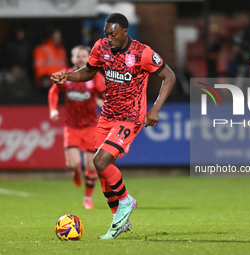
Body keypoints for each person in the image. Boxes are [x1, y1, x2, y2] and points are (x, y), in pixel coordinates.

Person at [51, 13, 176, 239]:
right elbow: (88, 72)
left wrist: (155, 108)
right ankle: (119, 219)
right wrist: (67, 76)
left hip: (130, 117)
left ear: (126, 32)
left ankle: (127, 200)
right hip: (107, 115)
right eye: (106, 33)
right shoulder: (101, 47)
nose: (108, 38)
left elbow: (169, 76)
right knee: (102, 171)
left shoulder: (143, 53)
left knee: (99, 161)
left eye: (113, 34)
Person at [48, 45, 105, 209]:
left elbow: (105, 93)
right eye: (77, 56)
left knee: (91, 165)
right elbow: (53, 91)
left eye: (84, 56)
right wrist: (52, 110)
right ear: (72, 59)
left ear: (89, 58)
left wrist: (101, 101)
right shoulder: (66, 75)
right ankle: (75, 171)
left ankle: (87, 198)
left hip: (91, 126)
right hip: (72, 126)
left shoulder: (95, 77)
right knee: (73, 164)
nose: (81, 59)